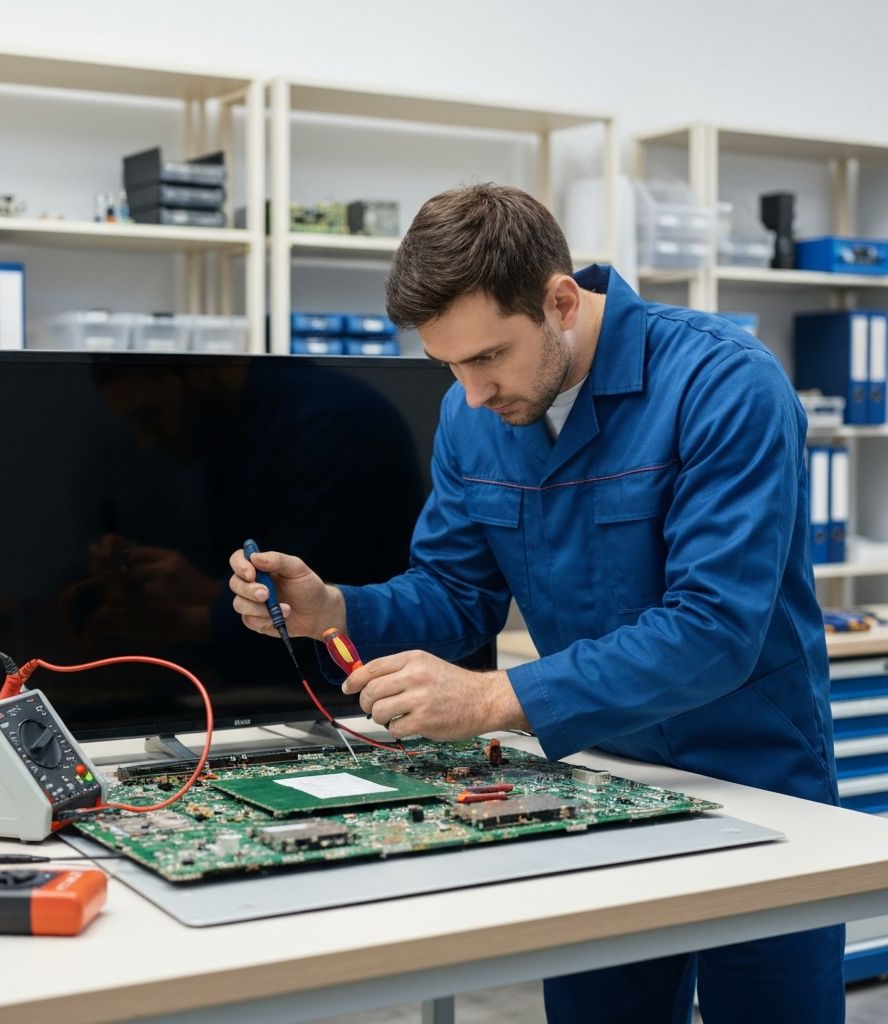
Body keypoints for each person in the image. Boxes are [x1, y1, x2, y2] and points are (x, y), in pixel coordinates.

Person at [228, 183, 841, 1024]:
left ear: (561, 302)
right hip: (598, 776)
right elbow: (455, 595)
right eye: (449, 365)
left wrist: (494, 698)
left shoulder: (725, 382)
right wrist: (336, 609)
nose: (472, 392)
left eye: (487, 357)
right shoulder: (471, 414)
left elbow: (714, 628)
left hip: (760, 776)